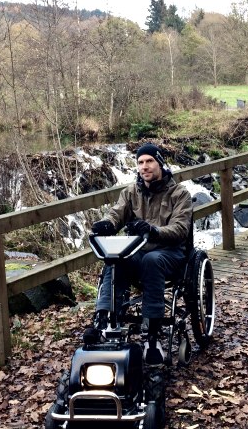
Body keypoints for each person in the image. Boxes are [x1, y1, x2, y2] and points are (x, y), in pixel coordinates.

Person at [88, 143, 193, 365]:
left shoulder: (179, 193)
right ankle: (104, 320)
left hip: (169, 252)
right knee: (116, 259)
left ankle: (152, 336)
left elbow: (180, 229)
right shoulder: (130, 192)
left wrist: (153, 231)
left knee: (152, 261)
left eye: (149, 161)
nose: (144, 167)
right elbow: (116, 214)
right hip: (138, 250)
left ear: (160, 163)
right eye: (140, 163)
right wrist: (106, 225)